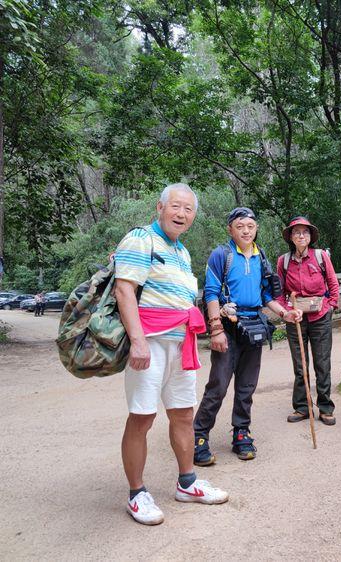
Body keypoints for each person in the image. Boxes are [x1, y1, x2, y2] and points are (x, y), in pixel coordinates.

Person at [114, 183, 228, 526]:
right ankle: (137, 494)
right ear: (160, 207)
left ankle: (187, 483)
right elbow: (124, 289)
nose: (181, 214)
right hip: (150, 342)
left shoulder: (182, 251)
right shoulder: (140, 238)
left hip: (181, 344)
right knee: (142, 417)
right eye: (176, 207)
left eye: (188, 210)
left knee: (182, 415)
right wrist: (137, 340)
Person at [193, 207, 293, 466]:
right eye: (240, 226)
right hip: (227, 326)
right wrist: (215, 329)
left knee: (247, 386)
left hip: (254, 327)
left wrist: (285, 314)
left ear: (256, 228)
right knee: (219, 384)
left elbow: (267, 296)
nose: (246, 230)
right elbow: (211, 293)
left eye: (250, 225)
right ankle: (199, 435)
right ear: (230, 229)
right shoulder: (221, 255)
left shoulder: (261, 258)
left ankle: (241, 432)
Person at [276, 216, 339, 425]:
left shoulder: (320, 257)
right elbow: (279, 292)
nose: (301, 235)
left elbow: (333, 283)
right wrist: (286, 311)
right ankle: (302, 407)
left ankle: (325, 407)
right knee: (300, 365)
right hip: (295, 318)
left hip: (320, 315)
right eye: (296, 232)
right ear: (291, 237)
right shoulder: (283, 262)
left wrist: (331, 305)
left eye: (305, 232)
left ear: (310, 236)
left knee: (322, 363)